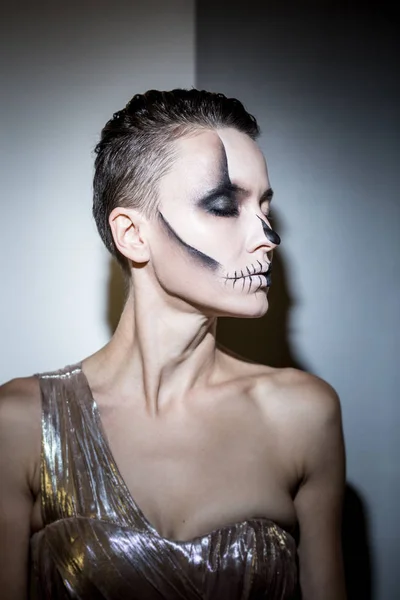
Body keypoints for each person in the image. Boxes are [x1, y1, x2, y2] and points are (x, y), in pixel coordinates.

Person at [0, 89, 347, 599]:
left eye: (264, 205)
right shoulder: (21, 425)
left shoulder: (301, 416)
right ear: (133, 235)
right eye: (225, 205)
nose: (268, 235)